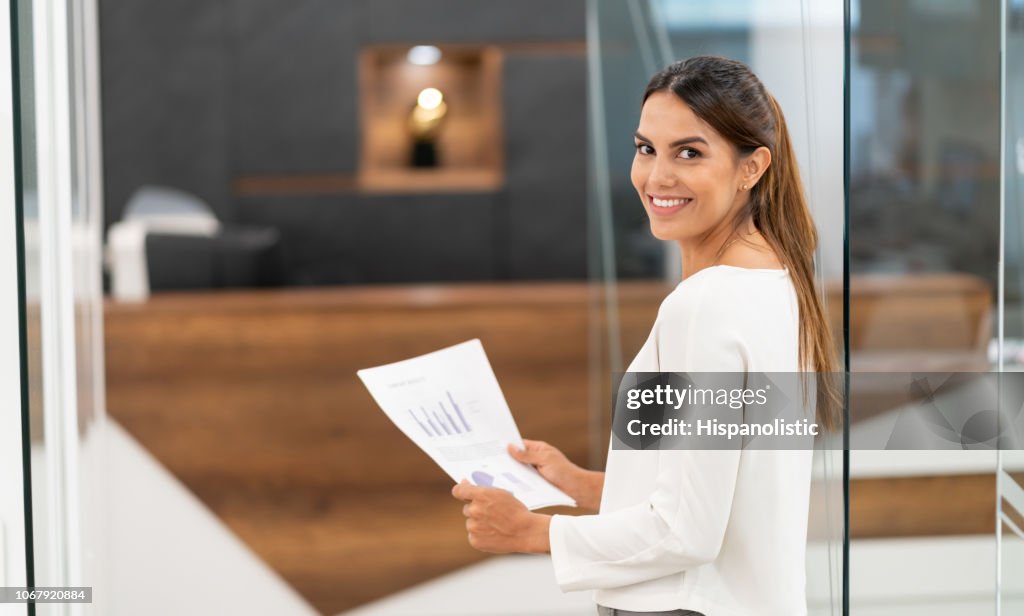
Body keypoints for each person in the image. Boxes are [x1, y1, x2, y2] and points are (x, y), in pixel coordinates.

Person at [452, 56, 840, 616]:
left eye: (689, 152)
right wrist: (583, 486)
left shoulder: (707, 303)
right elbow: (720, 493)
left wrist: (531, 533)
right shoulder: (781, 285)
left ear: (752, 167)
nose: (657, 177)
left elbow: (686, 533)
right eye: (645, 148)